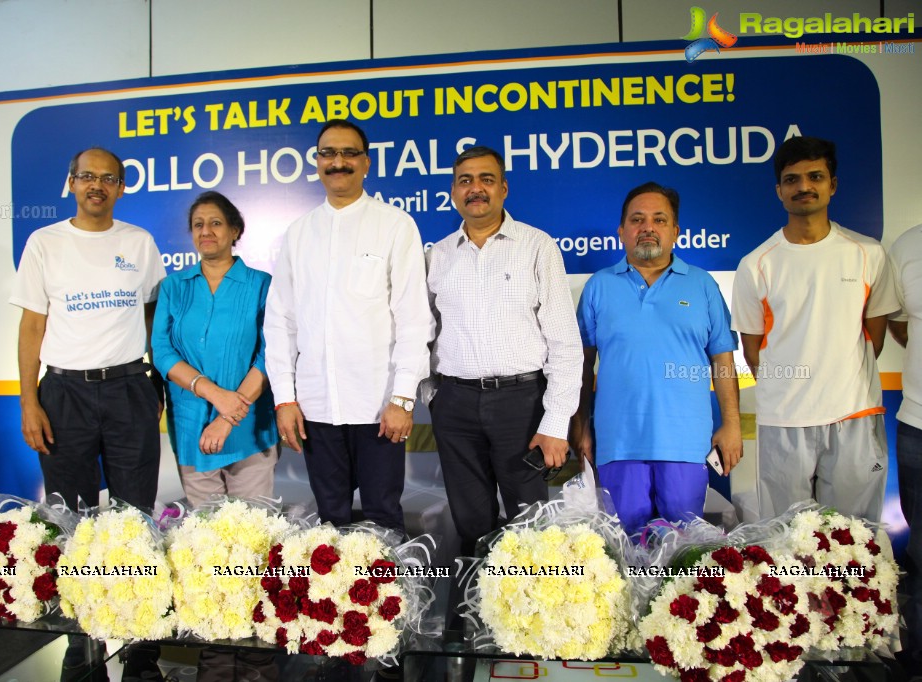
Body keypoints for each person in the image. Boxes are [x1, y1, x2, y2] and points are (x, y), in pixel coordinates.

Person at [264, 119, 431, 535]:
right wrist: (285, 398)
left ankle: (393, 601)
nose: (338, 162)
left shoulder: (395, 225)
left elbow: (414, 318)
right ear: (318, 163)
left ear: (366, 163)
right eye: (328, 154)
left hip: (378, 406)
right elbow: (280, 321)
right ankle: (335, 601)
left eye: (349, 153)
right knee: (330, 524)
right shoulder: (299, 233)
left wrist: (404, 399)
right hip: (316, 407)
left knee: (384, 521)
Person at [731, 136, 899, 523]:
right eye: (792, 179)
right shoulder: (757, 263)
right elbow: (752, 349)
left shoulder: (867, 253)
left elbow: (873, 336)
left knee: (855, 538)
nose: (803, 186)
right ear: (779, 191)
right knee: (785, 537)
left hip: (854, 414)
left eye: (815, 176)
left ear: (832, 184)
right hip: (783, 421)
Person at [424, 145, 582, 556]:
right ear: (454, 193)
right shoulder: (436, 256)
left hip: (522, 404)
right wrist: (434, 397)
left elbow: (565, 342)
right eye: (465, 181)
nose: (476, 189)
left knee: (528, 525)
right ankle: (479, 613)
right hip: (455, 405)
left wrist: (556, 423)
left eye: (486, 179)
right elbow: (422, 334)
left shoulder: (537, 246)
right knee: (470, 520)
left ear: (504, 188)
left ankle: (527, 617)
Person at [569, 182, 741, 537]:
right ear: (621, 231)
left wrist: (732, 424)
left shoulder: (703, 285)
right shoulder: (598, 287)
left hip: (685, 443)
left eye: (659, 219)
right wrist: (581, 425)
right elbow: (581, 367)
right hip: (618, 443)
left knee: (683, 552)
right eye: (637, 219)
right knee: (625, 549)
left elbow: (722, 360)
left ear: (675, 231)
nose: (648, 227)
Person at [10, 147, 166, 513]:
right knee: (69, 512)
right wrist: (28, 402)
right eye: (88, 176)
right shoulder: (43, 243)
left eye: (108, 178)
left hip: (129, 389)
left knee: (135, 511)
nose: (98, 185)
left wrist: (156, 385)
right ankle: (78, 573)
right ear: (71, 183)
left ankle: (132, 572)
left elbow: (153, 319)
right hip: (64, 395)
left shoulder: (139, 242)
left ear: (121, 188)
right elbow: (32, 327)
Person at [151, 191, 278, 507]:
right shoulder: (173, 287)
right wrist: (214, 394)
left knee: (253, 535)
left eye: (216, 223)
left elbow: (269, 354)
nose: (205, 231)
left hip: (248, 428)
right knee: (207, 537)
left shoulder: (262, 284)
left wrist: (227, 415)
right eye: (198, 225)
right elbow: (162, 351)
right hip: (191, 427)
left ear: (235, 231)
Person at [889, 222, 922, 672]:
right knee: (920, 551)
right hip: (917, 421)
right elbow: (895, 325)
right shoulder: (909, 245)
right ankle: (916, 659)